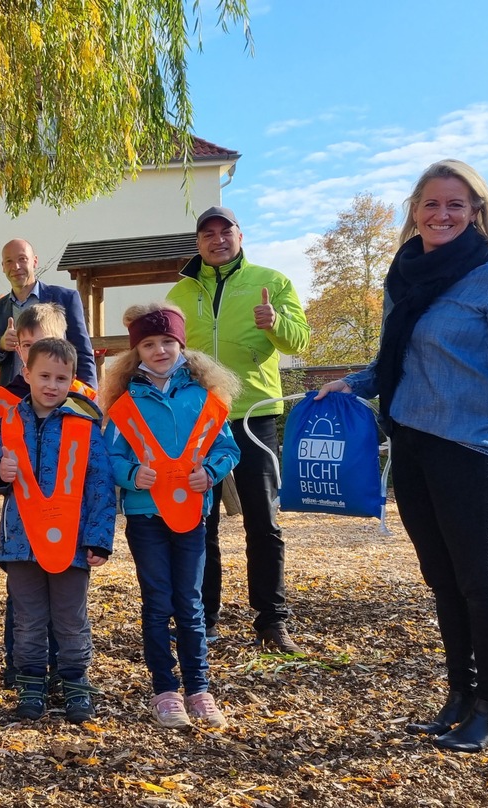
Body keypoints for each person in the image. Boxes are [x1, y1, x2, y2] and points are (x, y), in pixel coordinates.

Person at [316, 160, 488, 753]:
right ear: (415, 210)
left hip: (467, 444)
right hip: (410, 440)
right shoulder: (405, 272)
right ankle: (458, 697)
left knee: (477, 578)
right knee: (441, 579)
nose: (442, 215)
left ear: (476, 214)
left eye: (456, 206)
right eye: (432, 204)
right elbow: (398, 356)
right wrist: (353, 383)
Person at [166, 206, 310, 653]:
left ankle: (271, 620)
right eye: (207, 233)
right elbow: (164, 353)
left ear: (240, 236)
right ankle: (203, 619)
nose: (217, 239)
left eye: (224, 231)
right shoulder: (180, 293)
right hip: (197, 419)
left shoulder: (272, 281)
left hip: (252, 414)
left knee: (263, 522)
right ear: (198, 243)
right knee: (198, 523)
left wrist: (276, 323)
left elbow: (299, 342)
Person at [103, 304, 241, 729]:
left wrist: (210, 473)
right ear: (136, 351)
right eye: (148, 343)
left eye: (167, 341)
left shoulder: (204, 397)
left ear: (181, 344)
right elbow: (109, 457)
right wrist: (131, 474)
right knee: (157, 601)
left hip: (191, 513)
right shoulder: (125, 403)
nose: (159, 349)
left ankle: (199, 689)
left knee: (191, 603)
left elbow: (227, 449)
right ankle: (165, 691)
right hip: (146, 515)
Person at [0, 338, 116, 724]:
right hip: (22, 543)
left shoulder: (84, 423)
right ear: (27, 374)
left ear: (73, 379)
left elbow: (101, 484)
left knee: (71, 617)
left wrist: (98, 539)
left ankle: (75, 683)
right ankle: (31, 684)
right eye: (44, 376)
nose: (52, 385)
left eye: (61, 378)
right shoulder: (10, 421)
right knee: (28, 618)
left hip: (72, 542)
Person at [0, 239, 96, 389]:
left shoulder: (65, 298)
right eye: (9, 261)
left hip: (57, 393)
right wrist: (1, 345)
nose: (16, 266)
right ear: (3, 267)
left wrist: (88, 396)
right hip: (14, 398)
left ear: (35, 261)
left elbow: (82, 352)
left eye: (22, 259)